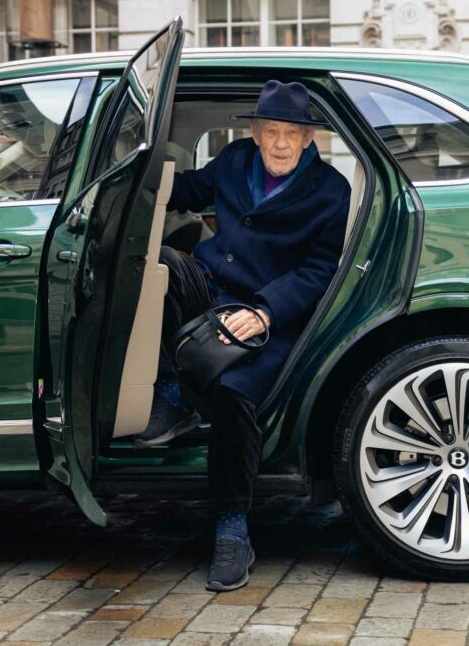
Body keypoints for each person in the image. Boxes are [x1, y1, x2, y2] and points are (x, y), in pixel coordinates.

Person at [133, 80, 350, 591]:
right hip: (211, 290)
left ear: (308, 138)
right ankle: (172, 395)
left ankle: (232, 527)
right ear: (254, 132)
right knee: (159, 266)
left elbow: (320, 270)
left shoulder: (331, 191)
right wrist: (133, 175)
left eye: (291, 133)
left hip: (269, 316)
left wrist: (266, 312)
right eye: (270, 131)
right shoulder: (232, 161)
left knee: (233, 394)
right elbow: (186, 191)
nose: (279, 143)